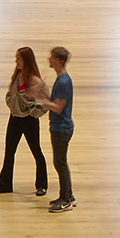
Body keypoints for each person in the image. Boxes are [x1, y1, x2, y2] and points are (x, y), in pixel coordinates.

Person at [0, 46, 49, 197]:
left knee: (36, 151)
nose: (16, 61)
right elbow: (10, 93)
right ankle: (4, 184)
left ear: (26, 60)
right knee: (9, 152)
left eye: (18, 58)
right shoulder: (17, 75)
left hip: (29, 121)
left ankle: (42, 185)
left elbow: (44, 102)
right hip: (14, 119)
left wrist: (31, 112)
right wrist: (10, 103)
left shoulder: (34, 80)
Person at [44, 44, 76, 213]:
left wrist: (40, 101)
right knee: (61, 163)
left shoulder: (63, 82)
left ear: (59, 61)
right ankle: (68, 195)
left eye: (52, 57)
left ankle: (65, 200)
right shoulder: (61, 79)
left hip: (61, 128)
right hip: (59, 127)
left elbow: (57, 108)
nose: (49, 59)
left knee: (60, 163)